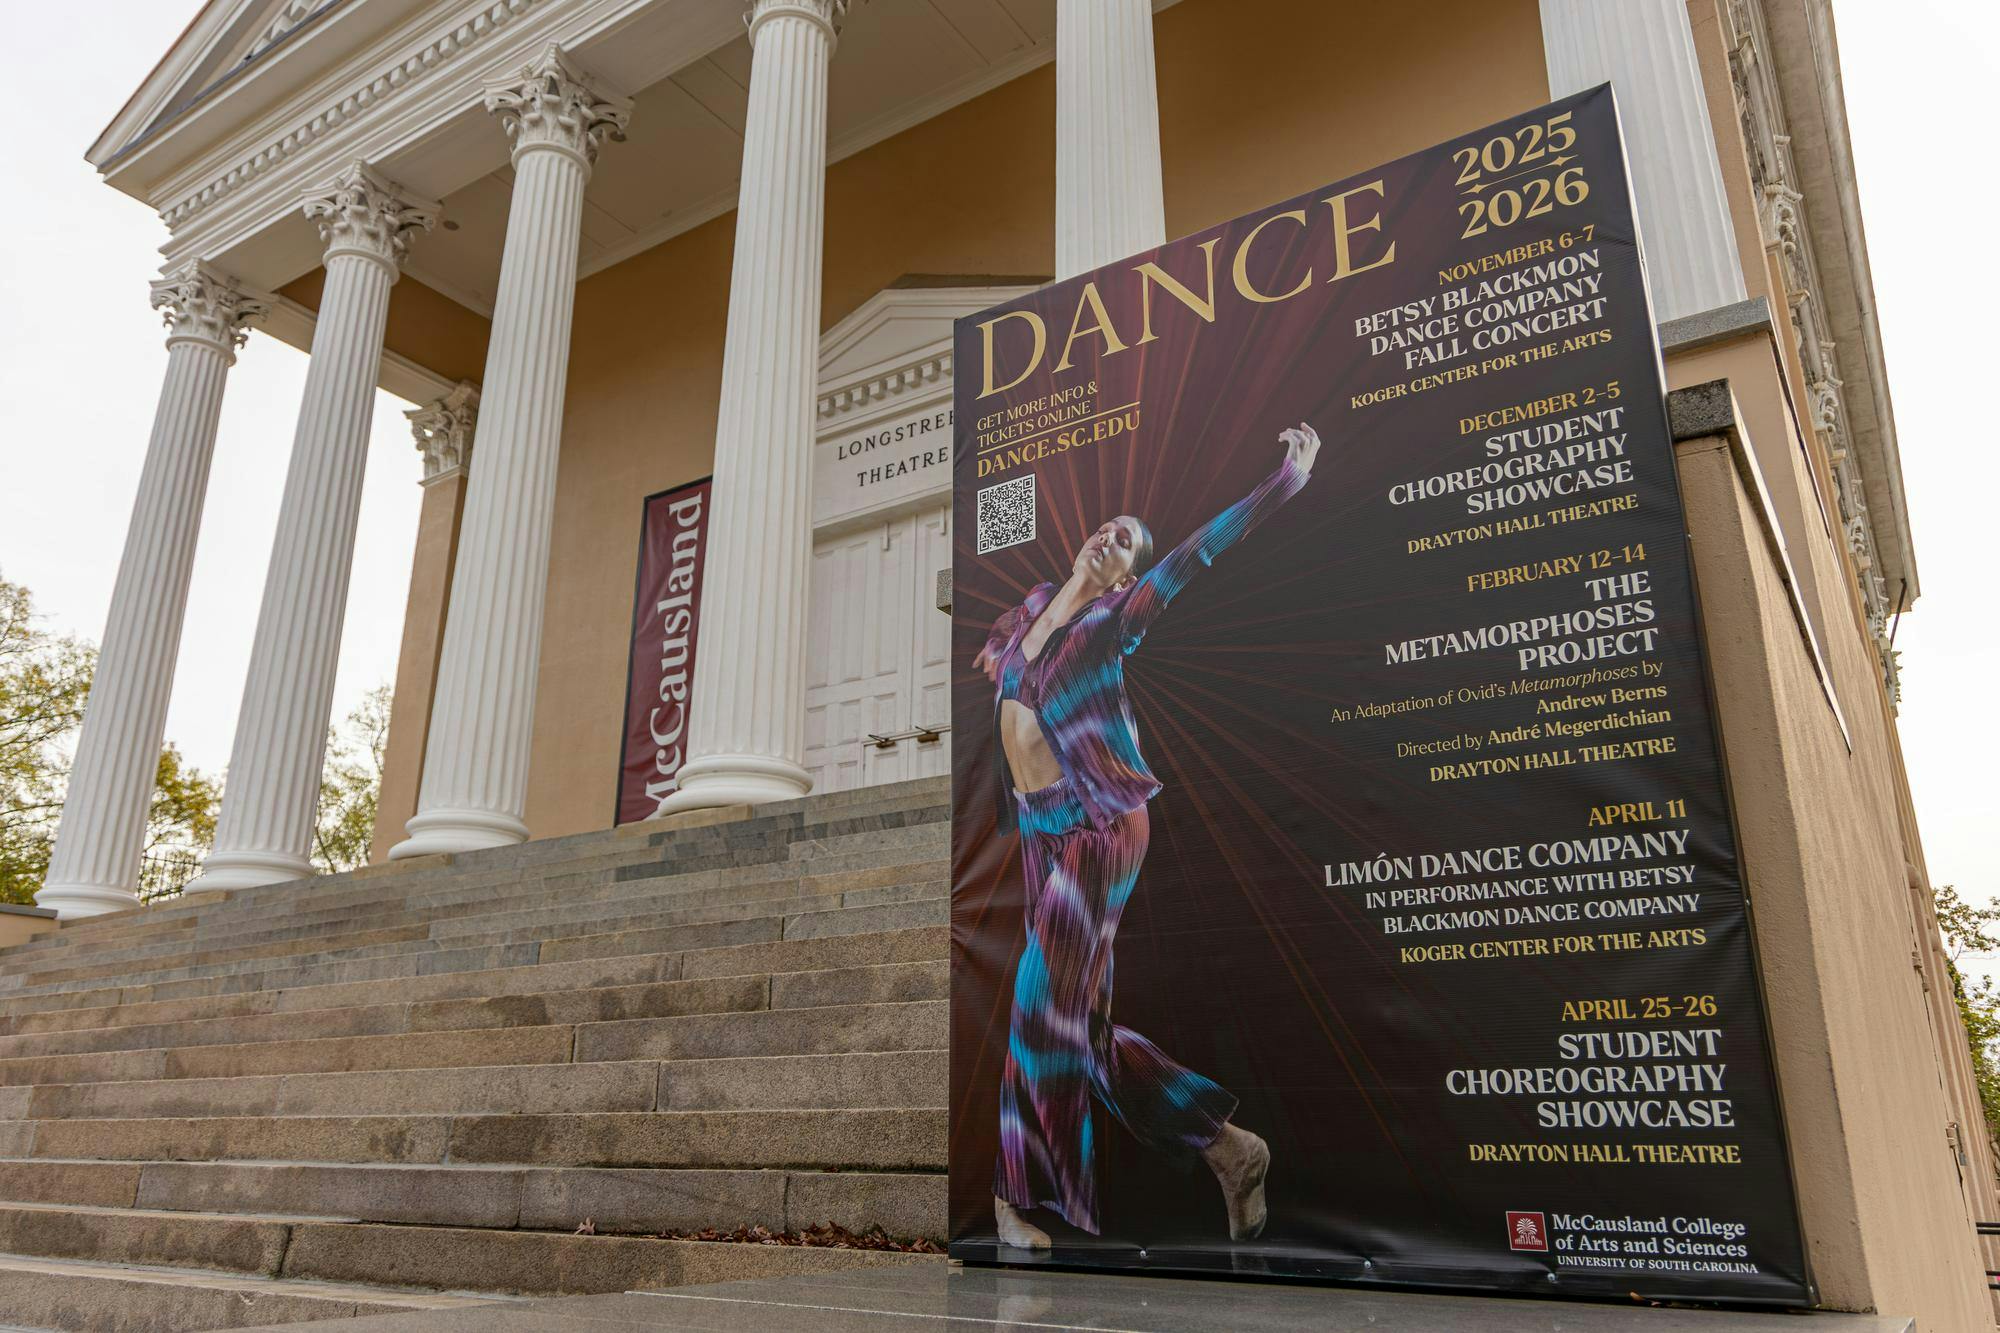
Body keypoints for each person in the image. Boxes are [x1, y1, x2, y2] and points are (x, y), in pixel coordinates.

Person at [972, 423, 1322, 1250]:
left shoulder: (1110, 620)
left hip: (1100, 823)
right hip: (1043, 833)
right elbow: (1004, 683)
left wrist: (1283, 483)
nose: (1112, 537)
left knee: (1034, 1004)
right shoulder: (1028, 612)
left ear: (1126, 573)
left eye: (1127, 540)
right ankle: (1231, 1149)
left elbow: (1193, 555)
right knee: (1082, 1032)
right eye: (1108, 527)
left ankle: (1011, 1201)